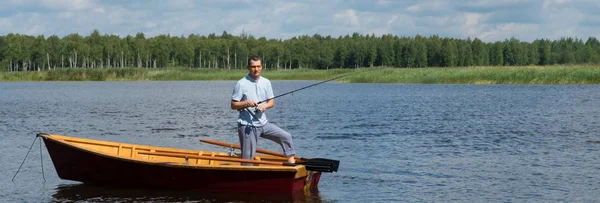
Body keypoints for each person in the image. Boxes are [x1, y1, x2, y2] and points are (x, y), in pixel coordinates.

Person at [231, 56, 296, 164]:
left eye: (258, 66)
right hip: (247, 126)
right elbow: (233, 105)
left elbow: (271, 102)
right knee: (247, 159)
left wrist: (264, 106)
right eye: (253, 66)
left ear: (261, 67)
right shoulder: (241, 84)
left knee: (286, 137)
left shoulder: (266, 82)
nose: (256, 69)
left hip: (263, 124)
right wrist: (246, 103)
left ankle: (292, 166)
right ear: (248, 67)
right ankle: (245, 176)